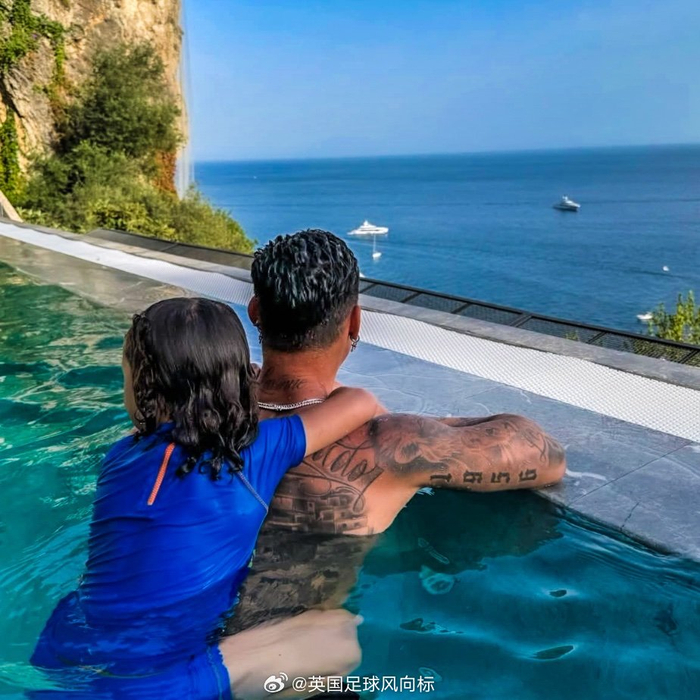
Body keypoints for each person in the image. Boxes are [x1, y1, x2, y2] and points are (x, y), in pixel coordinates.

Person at [30, 297, 378, 699]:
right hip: (162, 685)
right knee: (337, 636)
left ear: (140, 386)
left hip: (65, 653)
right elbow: (361, 403)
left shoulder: (121, 456)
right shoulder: (255, 454)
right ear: (238, 383)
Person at [248, 230, 567, 538]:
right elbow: (546, 455)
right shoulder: (387, 443)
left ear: (254, 311)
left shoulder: (221, 403)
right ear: (355, 322)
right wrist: (410, 426)